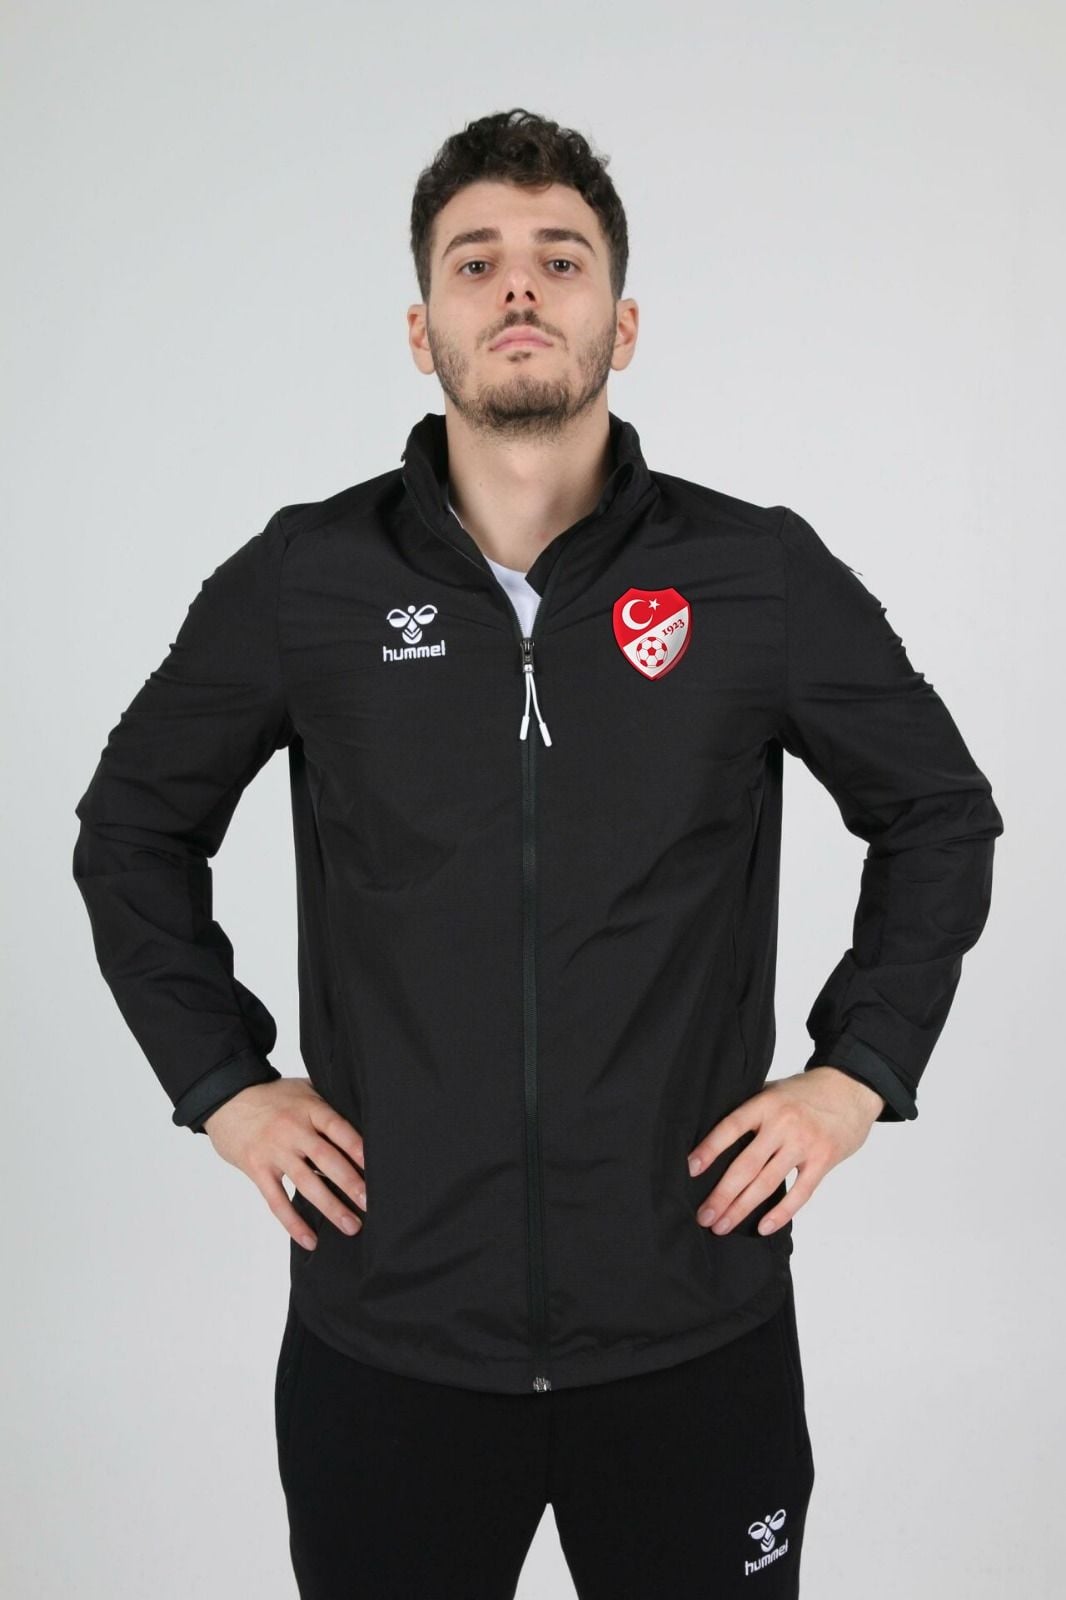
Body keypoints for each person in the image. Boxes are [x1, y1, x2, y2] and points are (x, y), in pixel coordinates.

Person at [72, 108, 1004, 1599]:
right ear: (421, 329)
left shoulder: (752, 574)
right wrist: (224, 1086)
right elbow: (132, 828)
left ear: (621, 325)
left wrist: (855, 1072)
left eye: (560, 260)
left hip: (692, 1327)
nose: (518, 286)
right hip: (390, 1337)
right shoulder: (309, 579)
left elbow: (939, 812)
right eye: (475, 261)